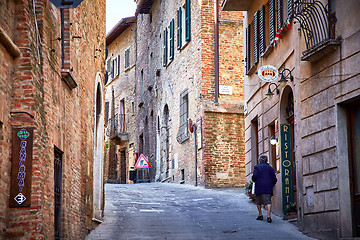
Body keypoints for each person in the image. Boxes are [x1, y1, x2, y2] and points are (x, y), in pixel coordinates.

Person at [252, 155, 277, 223]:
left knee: (258, 201)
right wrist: (271, 184)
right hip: (268, 187)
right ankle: (268, 216)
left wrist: (254, 180)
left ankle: (260, 215)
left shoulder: (257, 167)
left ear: (259, 160)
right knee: (268, 202)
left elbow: (254, 176)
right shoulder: (270, 168)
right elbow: (274, 179)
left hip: (259, 186)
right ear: (266, 160)